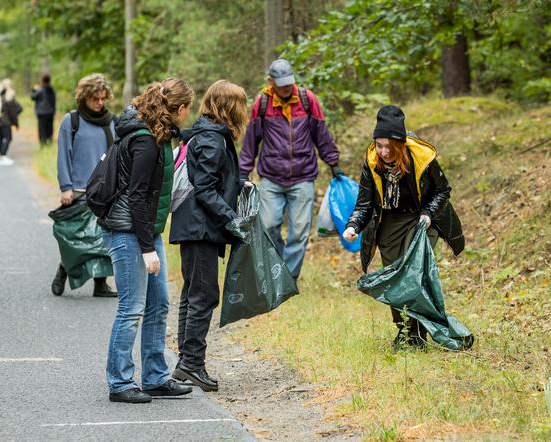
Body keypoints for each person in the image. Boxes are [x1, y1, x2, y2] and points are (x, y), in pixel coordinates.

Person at [100, 78, 194, 403]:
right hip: (128, 232)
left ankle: (155, 377)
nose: (187, 117)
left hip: (145, 230)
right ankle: (120, 382)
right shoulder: (146, 141)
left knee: (159, 303)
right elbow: (137, 196)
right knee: (131, 308)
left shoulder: (159, 135)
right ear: (179, 109)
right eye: (187, 111)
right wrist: (146, 249)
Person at [343, 105, 464, 350]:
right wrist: (354, 224)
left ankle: (421, 331)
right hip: (389, 222)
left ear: (399, 144)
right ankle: (406, 332)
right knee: (395, 278)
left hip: (420, 219)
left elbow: (443, 190)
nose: (384, 151)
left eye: (389, 146)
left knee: (413, 275)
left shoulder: (421, 158)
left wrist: (429, 214)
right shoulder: (372, 162)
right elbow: (365, 202)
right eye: (379, 145)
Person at [169, 80, 249, 392]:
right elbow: (204, 188)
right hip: (199, 227)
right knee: (203, 295)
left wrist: (240, 184)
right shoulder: (212, 139)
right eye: (240, 105)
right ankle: (191, 363)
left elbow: (213, 179)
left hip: (193, 225)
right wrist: (232, 219)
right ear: (229, 108)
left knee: (194, 293)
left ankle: (185, 361)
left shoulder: (206, 133)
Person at [239, 58, 343, 280]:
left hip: (303, 176)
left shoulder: (307, 100)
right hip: (271, 177)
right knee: (268, 226)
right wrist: (243, 170)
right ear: (271, 81)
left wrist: (333, 163)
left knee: (299, 232)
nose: (287, 87)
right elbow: (251, 140)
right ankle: (278, 268)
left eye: (289, 82)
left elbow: (321, 135)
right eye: (282, 83)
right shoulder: (263, 103)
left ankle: (287, 278)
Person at [51, 73, 117, 298]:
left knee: (102, 238)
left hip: (104, 191)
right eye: (95, 99)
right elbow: (64, 156)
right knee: (78, 238)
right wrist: (65, 187)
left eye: (102, 98)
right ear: (84, 97)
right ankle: (63, 270)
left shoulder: (112, 122)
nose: (100, 103)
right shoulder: (72, 121)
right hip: (78, 189)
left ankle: (101, 284)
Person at [0, 79, 22, 166]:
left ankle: (1, 155)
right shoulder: (9, 96)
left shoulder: (0, 94)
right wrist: (15, 123)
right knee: (8, 138)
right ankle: (3, 156)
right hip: (6, 120)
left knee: (1, 137)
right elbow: (12, 112)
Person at [31, 74, 56, 146]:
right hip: (50, 112)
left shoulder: (40, 90)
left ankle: (43, 143)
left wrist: (34, 89)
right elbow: (54, 101)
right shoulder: (51, 90)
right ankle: (49, 141)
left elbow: (32, 97)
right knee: (49, 127)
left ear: (42, 81)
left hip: (42, 113)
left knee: (42, 129)